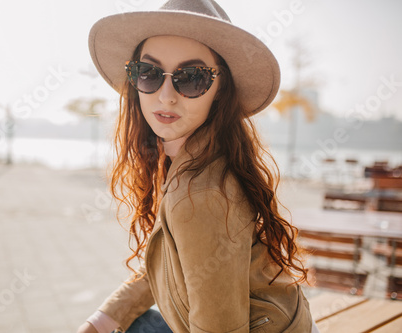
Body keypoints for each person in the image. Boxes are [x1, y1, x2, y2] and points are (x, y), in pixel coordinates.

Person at [78, 0, 320, 332]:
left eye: (191, 78)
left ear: (220, 89)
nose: (165, 96)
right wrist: (104, 319)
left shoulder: (202, 195)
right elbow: (172, 266)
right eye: (148, 73)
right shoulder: (191, 157)